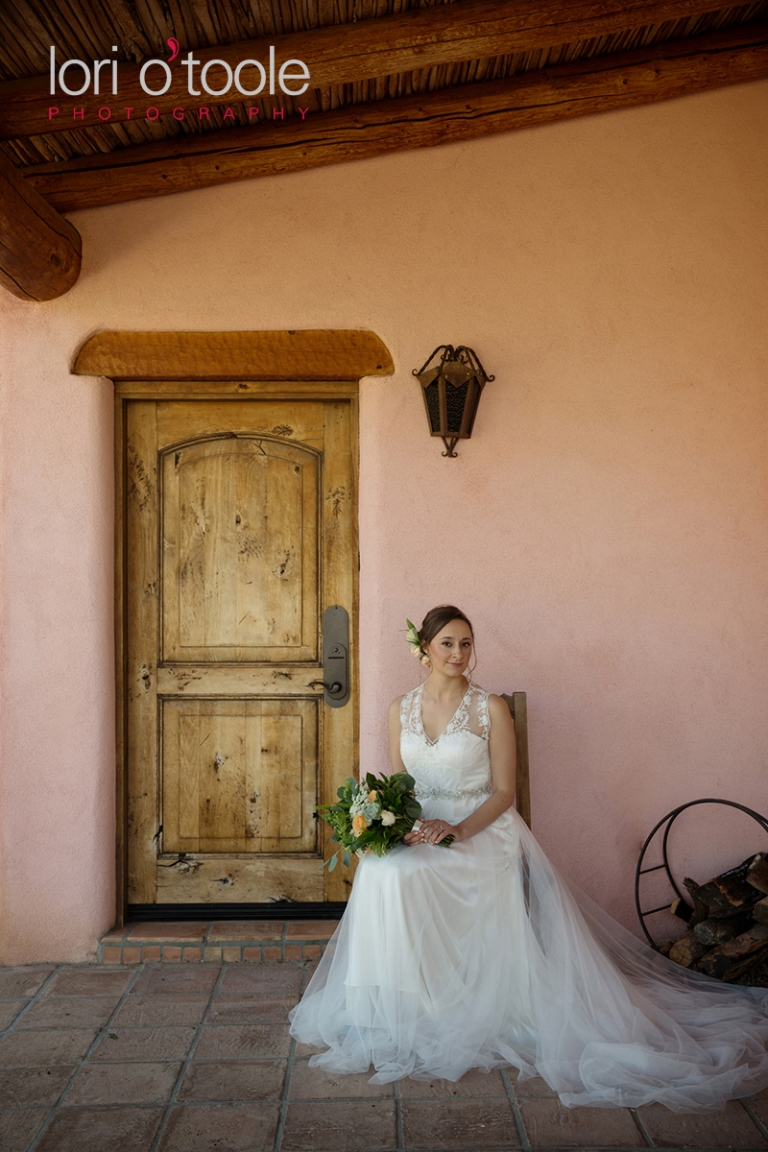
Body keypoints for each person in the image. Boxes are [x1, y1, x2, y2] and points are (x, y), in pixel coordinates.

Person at [289, 605, 768, 1110]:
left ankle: (461, 1003)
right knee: (383, 872)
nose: (458, 654)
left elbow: (503, 794)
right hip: (421, 827)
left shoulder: (489, 707)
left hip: (482, 827)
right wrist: (403, 826)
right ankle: (403, 1006)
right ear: (424, 649)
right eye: (448, 643)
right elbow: (400, 786)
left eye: (466, 643)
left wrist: (457, 829)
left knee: (425, 875)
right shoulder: (398, 708)